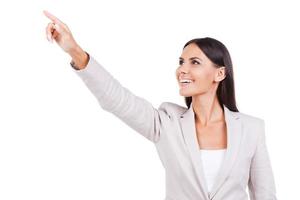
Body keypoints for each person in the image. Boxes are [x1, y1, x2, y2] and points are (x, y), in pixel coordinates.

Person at [43, 10, 277, 200]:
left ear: (220, 73)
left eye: (195, 62)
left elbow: (265, 195)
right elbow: (117, 99)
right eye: (181, 62)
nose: (182, 69)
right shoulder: (166, 122)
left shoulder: (251, 128)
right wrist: (75, 50)